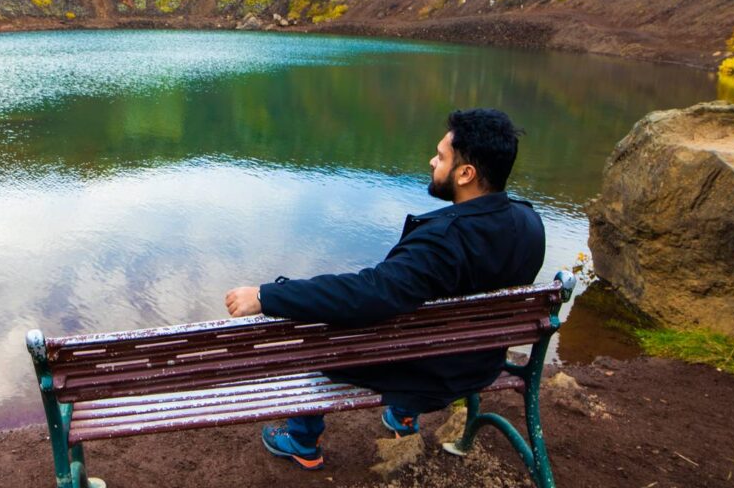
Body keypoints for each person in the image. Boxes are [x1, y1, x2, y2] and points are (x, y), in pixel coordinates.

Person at [223, 108, 545, 469]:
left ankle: (301, 439)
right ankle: (402, 418)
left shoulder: (442, 243)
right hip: (481, 363)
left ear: (466, 173)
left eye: (441, 157)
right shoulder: (530, 223)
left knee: (320, 330)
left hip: (434, 374)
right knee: (420, 318)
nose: (431, 161)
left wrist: (266, 296)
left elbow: (369, 292)